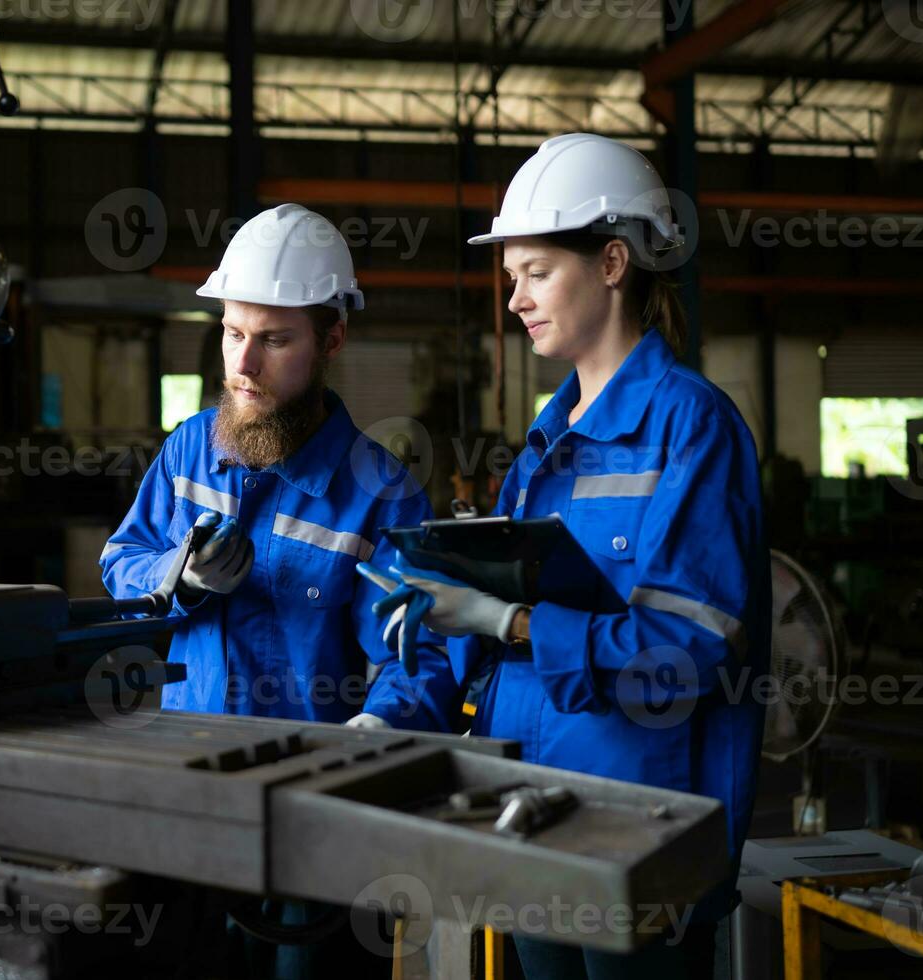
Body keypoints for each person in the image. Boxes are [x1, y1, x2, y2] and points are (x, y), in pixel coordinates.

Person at [359, 133, 769, 979]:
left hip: (642, 836)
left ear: (613, 262)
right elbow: (499, 636)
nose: (514, 301)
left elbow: (685, 653)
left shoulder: (690, 426)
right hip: (532, 819)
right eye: (512, 279)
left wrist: (508, 620)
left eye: (536, 273)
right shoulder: (548, 443)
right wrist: (435, 624)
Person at [100, 202, 458, 732]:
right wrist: (180, 576)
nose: (243, 365)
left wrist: (382, 725)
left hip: (308, 770)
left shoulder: (380, 494)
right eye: (233, 333)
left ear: (331, 340)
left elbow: (419, 654)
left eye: (273, 340)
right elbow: (121, 559)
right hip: (184, 753)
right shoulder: (190, 448)